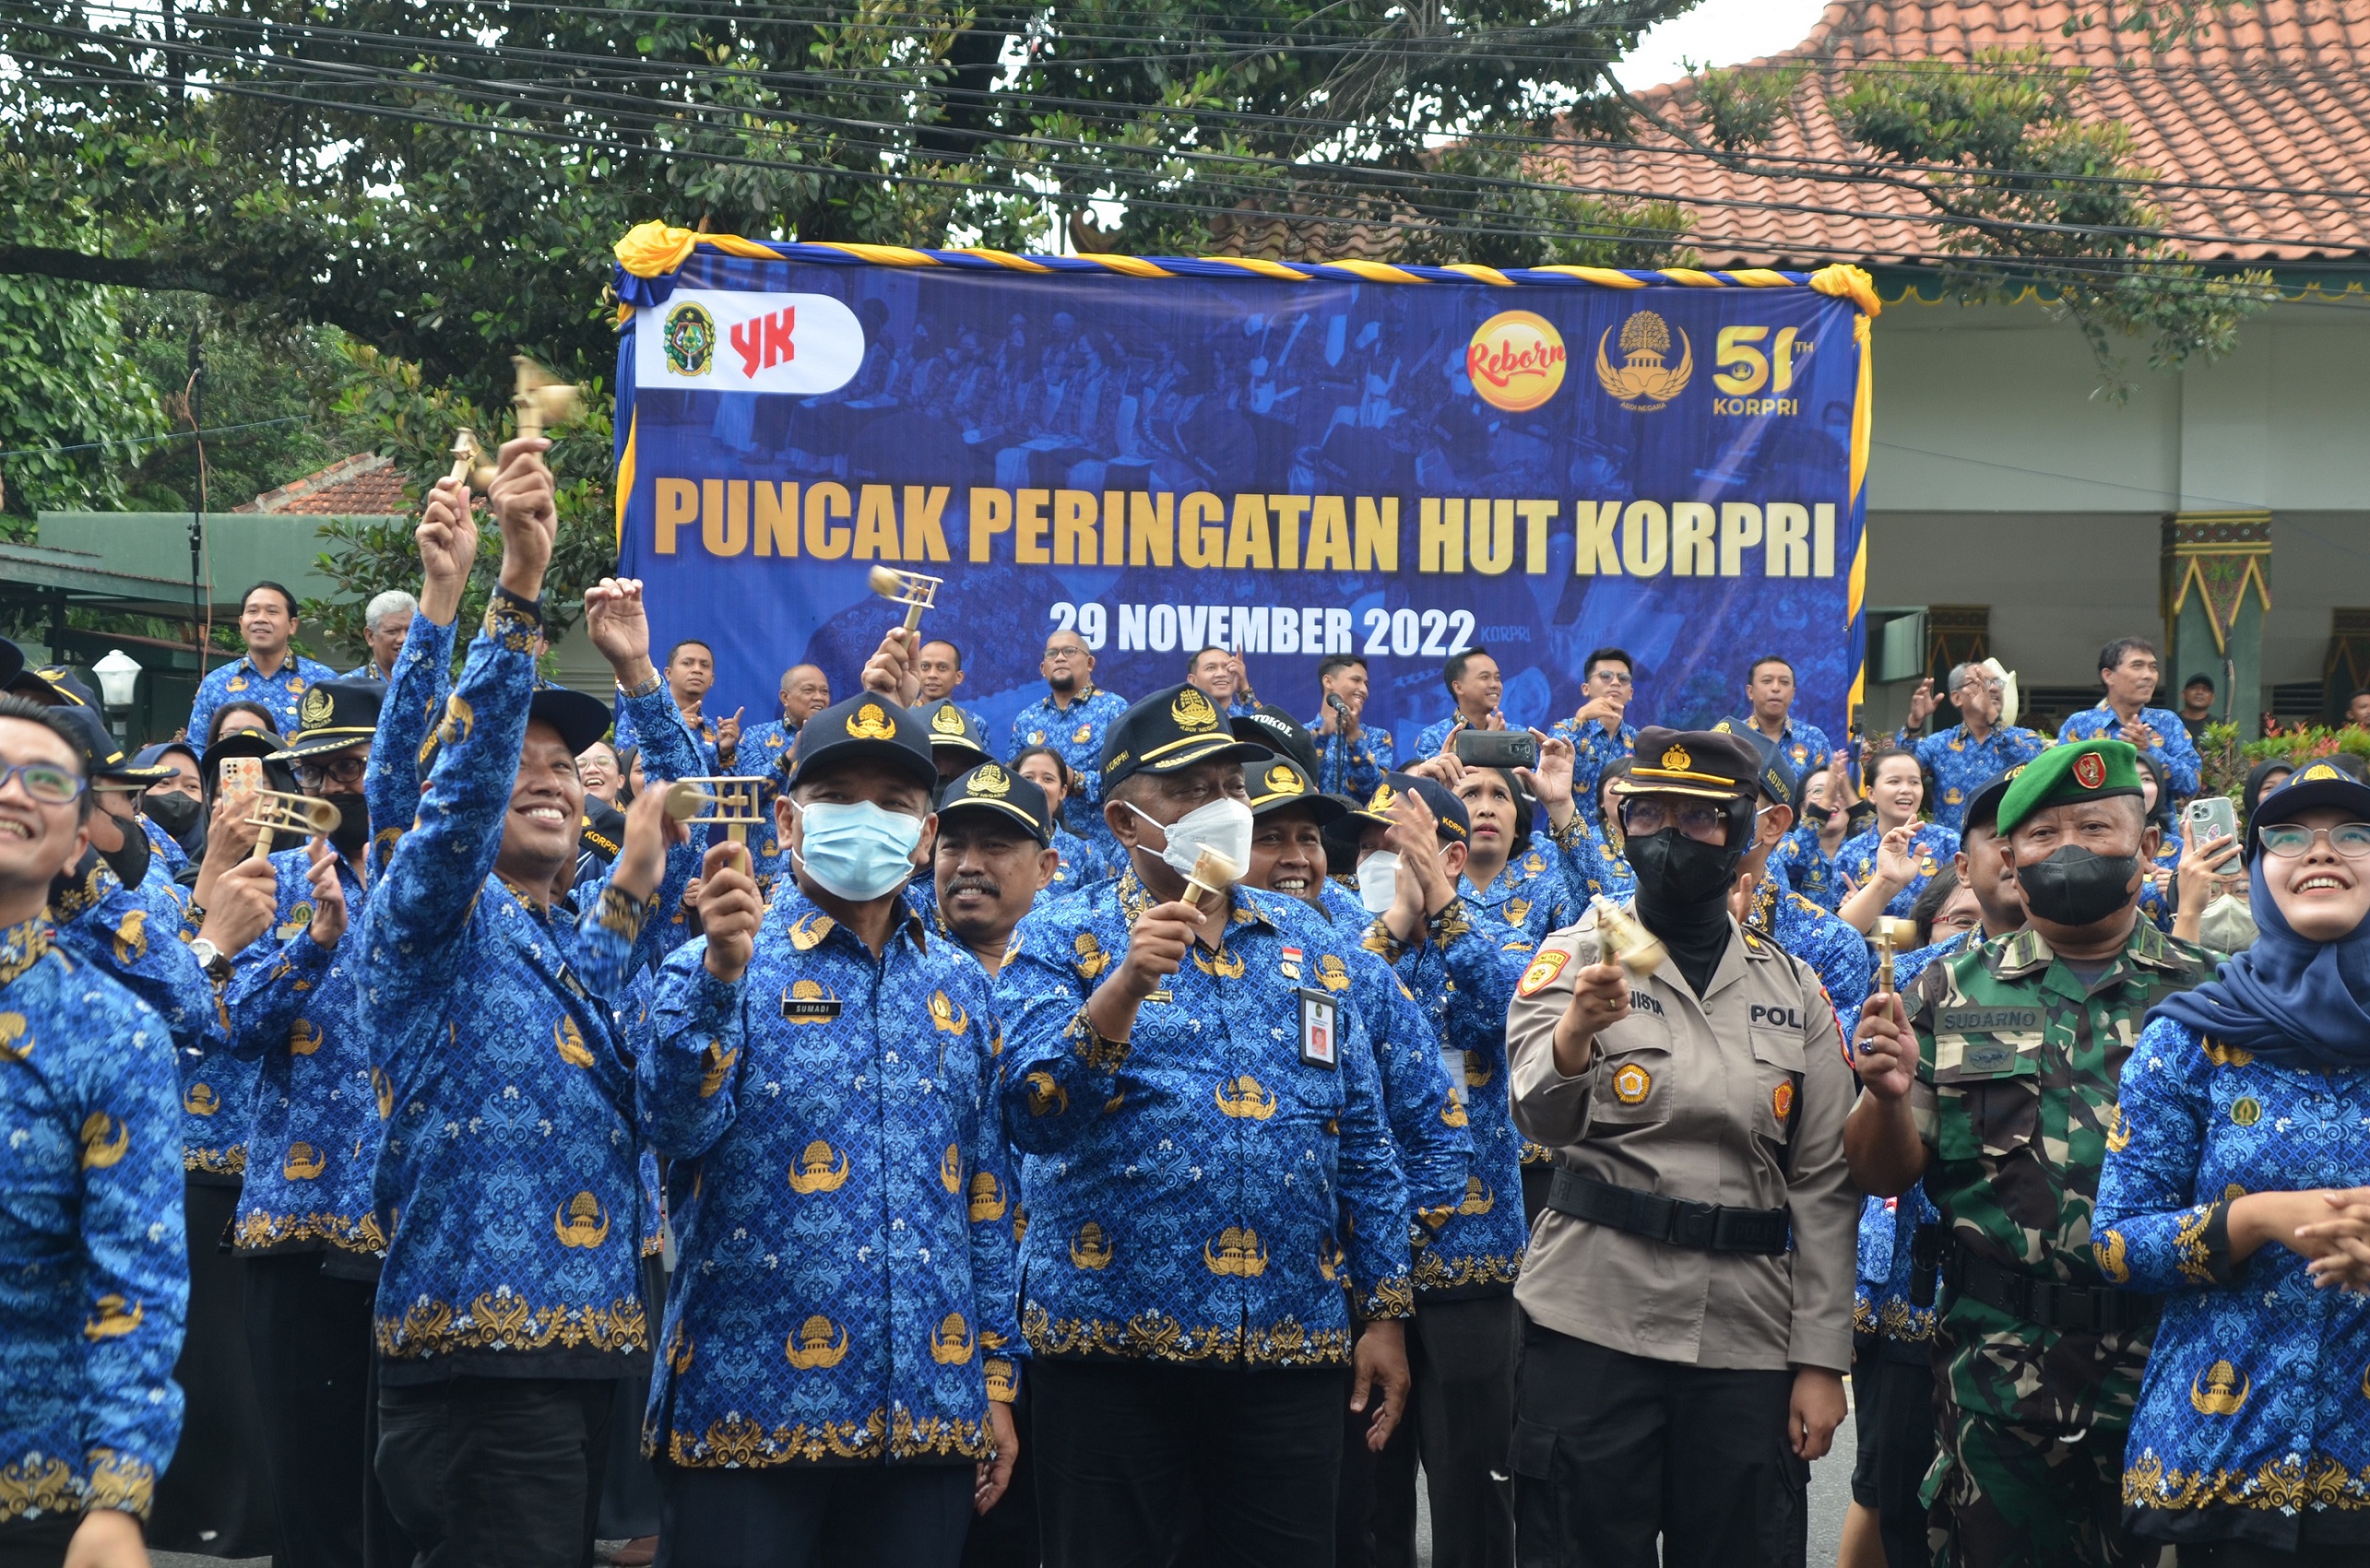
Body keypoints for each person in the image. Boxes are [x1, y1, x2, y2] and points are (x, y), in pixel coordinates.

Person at [359, 436, 703, 1568]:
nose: (549, 775)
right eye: (523, 754)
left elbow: (697, 829)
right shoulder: (432, 922)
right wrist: (504, 589)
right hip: (476, 1365)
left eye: (567, 762)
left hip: (594, 1349)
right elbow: (434, 792)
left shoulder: (577, 939)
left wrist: (642, 681)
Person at [992, 682, 1415, 1568]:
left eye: (1229, 785)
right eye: (1189, 791)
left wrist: (1383, 1310)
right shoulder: (1058, 936)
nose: (1220, 808)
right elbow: (1032, 1115)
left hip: (1289, 1349)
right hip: (1109, 1354)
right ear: (1121, 818)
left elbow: (1366, 1139)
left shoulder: (1309, 940)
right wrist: (1122, 989)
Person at [642, 695, 1017, 1568]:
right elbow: (672, 1128)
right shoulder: (707, 965)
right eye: (840, 793)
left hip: (925, 1412)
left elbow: (987, 1200)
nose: (868, 817)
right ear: (786, 818)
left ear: (925, 834)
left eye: (893, 801)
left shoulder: (963, 986)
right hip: (746, 1413)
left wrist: (995, 1380)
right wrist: (718, 982)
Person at [1845, 739, 2218, 1568]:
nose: (2071, 848)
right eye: (2044, 834)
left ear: (2149, 846)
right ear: (2008, 859)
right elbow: (1878, 1171)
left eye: (2096, 824)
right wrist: (1884, 1093)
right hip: (1997, 1379)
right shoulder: (1945, 991)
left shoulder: (2212, 997)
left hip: (2168, 1372)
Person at [1504, 727, 1856, 1568]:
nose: (1670, 835)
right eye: (1649, 813)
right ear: (1620, 824)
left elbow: (1823, 1181)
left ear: (1747, 830)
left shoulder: (1792, 987)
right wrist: (1576, 1033)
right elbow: (1538, 1117)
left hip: (1744, 1336)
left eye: (1698, 818)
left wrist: (1819, 1357)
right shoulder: (1573, 957)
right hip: (1593, 1319)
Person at [2099, 758, 2370, 1563]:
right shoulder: (2189, 1035)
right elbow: (2117, 1244)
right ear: (2254, 872)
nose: (2321, 851)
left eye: (2354, 833)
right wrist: (2252, 1220)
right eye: (2289, 835)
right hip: (2224, 1460)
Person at [0, 690, 190, 1568]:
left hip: (35, 1485)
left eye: (44, 778)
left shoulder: (112, 1030)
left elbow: (137, 1273)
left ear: (80, 841)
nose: (12, 791)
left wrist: (119, 1498)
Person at [1331, 773, 1525, 1568]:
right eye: (1369, 846)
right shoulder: (1343, 936)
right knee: (1366, 1502)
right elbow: (1329, 1013)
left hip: (1469, 1269)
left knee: (1473, 1499)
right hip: (1361, 1267)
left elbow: (1514, 1019)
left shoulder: (1494, 932)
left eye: (1396, 846)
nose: (1377, 858)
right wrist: (1390, 925)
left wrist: (1440, 908)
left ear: (1447, 853)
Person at [220, 677, 394, 1568]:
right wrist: (314, 940)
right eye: (318, 768)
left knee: (401, 1489)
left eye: (352, 765)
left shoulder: (428, 883)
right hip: (294, 1216)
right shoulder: (269, 878)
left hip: (408, 1229)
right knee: (311, 1486)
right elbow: (233, 1026)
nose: (335, 784)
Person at [1006, 628, 1128, 863]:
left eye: (1069, 651)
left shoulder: (1115, 709)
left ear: (1090, 663)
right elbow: (1012, 782)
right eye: (1052, 654)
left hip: (1101, 851)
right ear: (1043, 669)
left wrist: (1078, 781)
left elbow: (1129, 781)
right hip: (1037, 849)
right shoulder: (1027, 719)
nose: (1060, 658)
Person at [934, 760, 1060, 975]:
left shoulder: (1075, 959)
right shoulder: (901, 951)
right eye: (953, 846)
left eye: (994, 846)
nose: (969, 866)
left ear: (1044, 869)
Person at [1896, 663, 2048, 834]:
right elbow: (1900, 768)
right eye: (1981, 682)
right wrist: (1914, 724)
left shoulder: (2025, 738)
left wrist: (1992, 716)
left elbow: (2035, 770)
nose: (1993, 689)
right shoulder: (1939, 744)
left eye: (1998, 683)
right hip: (1953, 853)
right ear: (1957, 698)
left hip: (2007, 849)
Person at [186, 581, 339, 743]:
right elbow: (197, 747)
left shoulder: (324, 681)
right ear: (241, 623)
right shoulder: (214, 684)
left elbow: (340, 744)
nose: (260, 619)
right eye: (252, 611)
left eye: (272, 612)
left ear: (292, 625)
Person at [2058, 638, 2203, 800]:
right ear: (2109, 676)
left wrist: (2148, 751)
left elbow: (2192, 784)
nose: (2149, 676)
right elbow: (2062, 788)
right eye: (2137, 666)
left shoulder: (2167, 722)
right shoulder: (2079, 725)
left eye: (2153, 668)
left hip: (2157, 824)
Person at [1837, 748, 1959, 931]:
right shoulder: (1849, 855)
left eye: (1914, 782)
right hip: (1873, 958)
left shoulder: (1949, 843)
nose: (1906, 790)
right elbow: (1836, 931)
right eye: (1894, 782)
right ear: (1871, 794)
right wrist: (1854, 907)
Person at [614, 636, 730, 767]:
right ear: (668, 673)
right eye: (687, 663)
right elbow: (627, 768)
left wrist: (726, 752)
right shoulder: (641, 717)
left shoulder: (711, 728)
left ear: (712, 679)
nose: (697, 669)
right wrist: (670, 730)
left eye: (705, 665)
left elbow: (726, 786)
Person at [1552, 646, 1637, 824]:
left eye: (1623, 678)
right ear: (1586, 688)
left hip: (1623, 844)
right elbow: (1556, 780)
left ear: (1631, 693)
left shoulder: (1640, 742)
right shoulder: (1562, 731)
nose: (1615, 682)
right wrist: (1581, 720)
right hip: (1570, 841)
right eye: (1605, 676)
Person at [1714, 654, 1832, 775]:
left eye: (1784, 682)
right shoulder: (1729, 737)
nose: (1776, 688)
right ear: (1750, 692)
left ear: (1793, 694)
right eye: (1767, 681)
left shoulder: (1814, 739)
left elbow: (1826, 790)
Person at [1013, 745, 1106, 891]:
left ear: (1062, 792)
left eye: (1048, 779)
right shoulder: (994, 846)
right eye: (1028, 778)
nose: (1038, 785)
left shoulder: (1085, 854)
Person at [1309, 652, 1394, 801]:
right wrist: (1322, 738)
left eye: (1366, 684)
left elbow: (1376, 792)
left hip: (1359, 823)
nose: (1364, 690)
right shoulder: (1301, 734)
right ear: (1328, 681)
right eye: (1356, 680)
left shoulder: (1378, 738)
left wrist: (1355, 737)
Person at [1772, 761, 1849, 911]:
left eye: (1838, 791)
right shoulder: (1784, 842)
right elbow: (1793, 862)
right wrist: (1824, 803)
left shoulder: (1861, 849)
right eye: (1819, 791)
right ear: (1803, 809)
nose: (1832, 797)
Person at [738, 663, 832, 771]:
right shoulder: (755, 736)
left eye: (824, 692)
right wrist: (790, 756)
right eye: (809, 690)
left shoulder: (840, 735)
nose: (819, 697)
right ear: (785, 698)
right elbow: (748, 785)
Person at [1414, 648, 1503, 759]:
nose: (1495, 684)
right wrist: (1488, 746)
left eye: (1497, 678)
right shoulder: (1433, 737)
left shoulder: (1519, 734)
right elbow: (1434, 776)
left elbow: (1524, 775)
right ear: (1458, 687)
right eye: (1485, 677)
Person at [348, 590, 419, 681]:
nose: (403, 638)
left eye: (411, 631)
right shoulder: (347, 689)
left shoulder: (438, 686)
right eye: (393, 631)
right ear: (370, 636)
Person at [1186, 645, 1252, 716]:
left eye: (1227, 667)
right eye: (1210, 668)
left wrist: (1244, 689)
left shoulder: (1247, 718)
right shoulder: (1180, 719)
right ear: (1193, 680)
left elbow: (1262, 725)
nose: (1221, 674)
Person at [579, 738, 624, 806]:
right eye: (581, 764)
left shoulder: (636, 816)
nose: (592, 769)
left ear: (620, 780)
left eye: (603, 762)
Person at [2174, 674, 2215, 740]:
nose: (2199, 692)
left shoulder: (2220, 727)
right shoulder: (2171, 722)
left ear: (2213, 699)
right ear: (2183, 694)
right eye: (2194, 688)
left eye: (2206, 689)